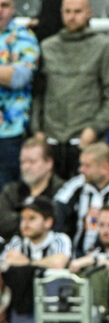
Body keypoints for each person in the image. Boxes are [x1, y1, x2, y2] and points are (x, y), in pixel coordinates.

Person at [31, 0, 109, 179]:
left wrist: (93, 129)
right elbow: (38, 94)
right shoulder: (47, 47)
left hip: (86, 142)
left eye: (77, 12)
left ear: (89, 13)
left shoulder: (104, 47)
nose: (72, 17)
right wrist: (38, 132)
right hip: (51, 141)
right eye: (67, 12)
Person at [53, 142, 109, 257]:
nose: (81, 170)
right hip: (79, 256)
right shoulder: (79, 182)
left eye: (87, 166)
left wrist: (93, 254)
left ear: (105, 168)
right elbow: (57, 211)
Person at [0, 196, 70, 323]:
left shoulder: (59, 239)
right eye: (23, 219)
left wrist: (28, 263)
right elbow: (5, 263)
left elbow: (59, 262)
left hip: (57, 304)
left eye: (32, 218)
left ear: (48, 222)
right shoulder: (17, 241)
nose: (25, 224)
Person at [0, 0, 39, 192]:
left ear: (13, 8)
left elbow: (19, 77)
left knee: (7, 197)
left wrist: (11, 73)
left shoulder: (23, 36)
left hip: (10, 134)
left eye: (4, 5)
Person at [0, 137, 64, 241]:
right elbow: (2, 222)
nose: (26, 167)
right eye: (23, 162)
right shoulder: (11, 190)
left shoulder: (63, 191)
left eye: (32, 162)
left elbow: (59, 223)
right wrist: (36, 221)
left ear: (49, 163)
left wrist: (18, 220)